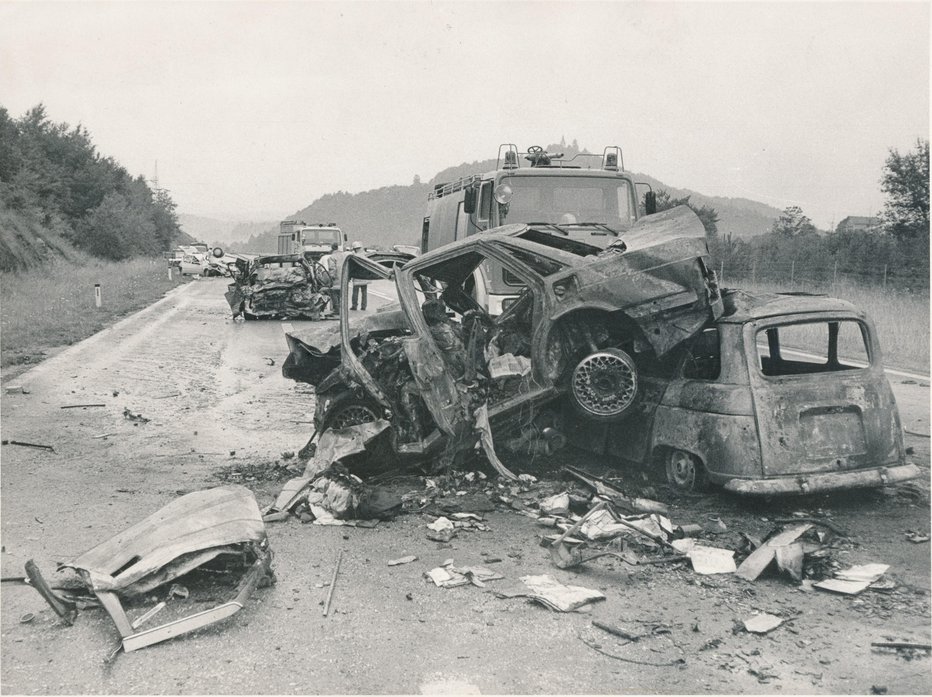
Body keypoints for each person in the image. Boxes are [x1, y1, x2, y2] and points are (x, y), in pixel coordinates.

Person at [325, 243, 347, 317]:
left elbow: (332, 269)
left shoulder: (332, 257)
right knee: (342, 294)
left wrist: (331, 278)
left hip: (336, 279)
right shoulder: (344, 255)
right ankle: (343, 309)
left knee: (334, 293)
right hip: (344, 277)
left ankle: (337, 309)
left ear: (332, 248)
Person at [350, 241, 369, 311]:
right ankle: (364, 306)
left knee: (355, 292)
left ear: (355, 248)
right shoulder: (366, 255)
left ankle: (354, 306)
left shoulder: (355, 256)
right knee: (364, 292)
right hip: (365, 276)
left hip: (357, 276)